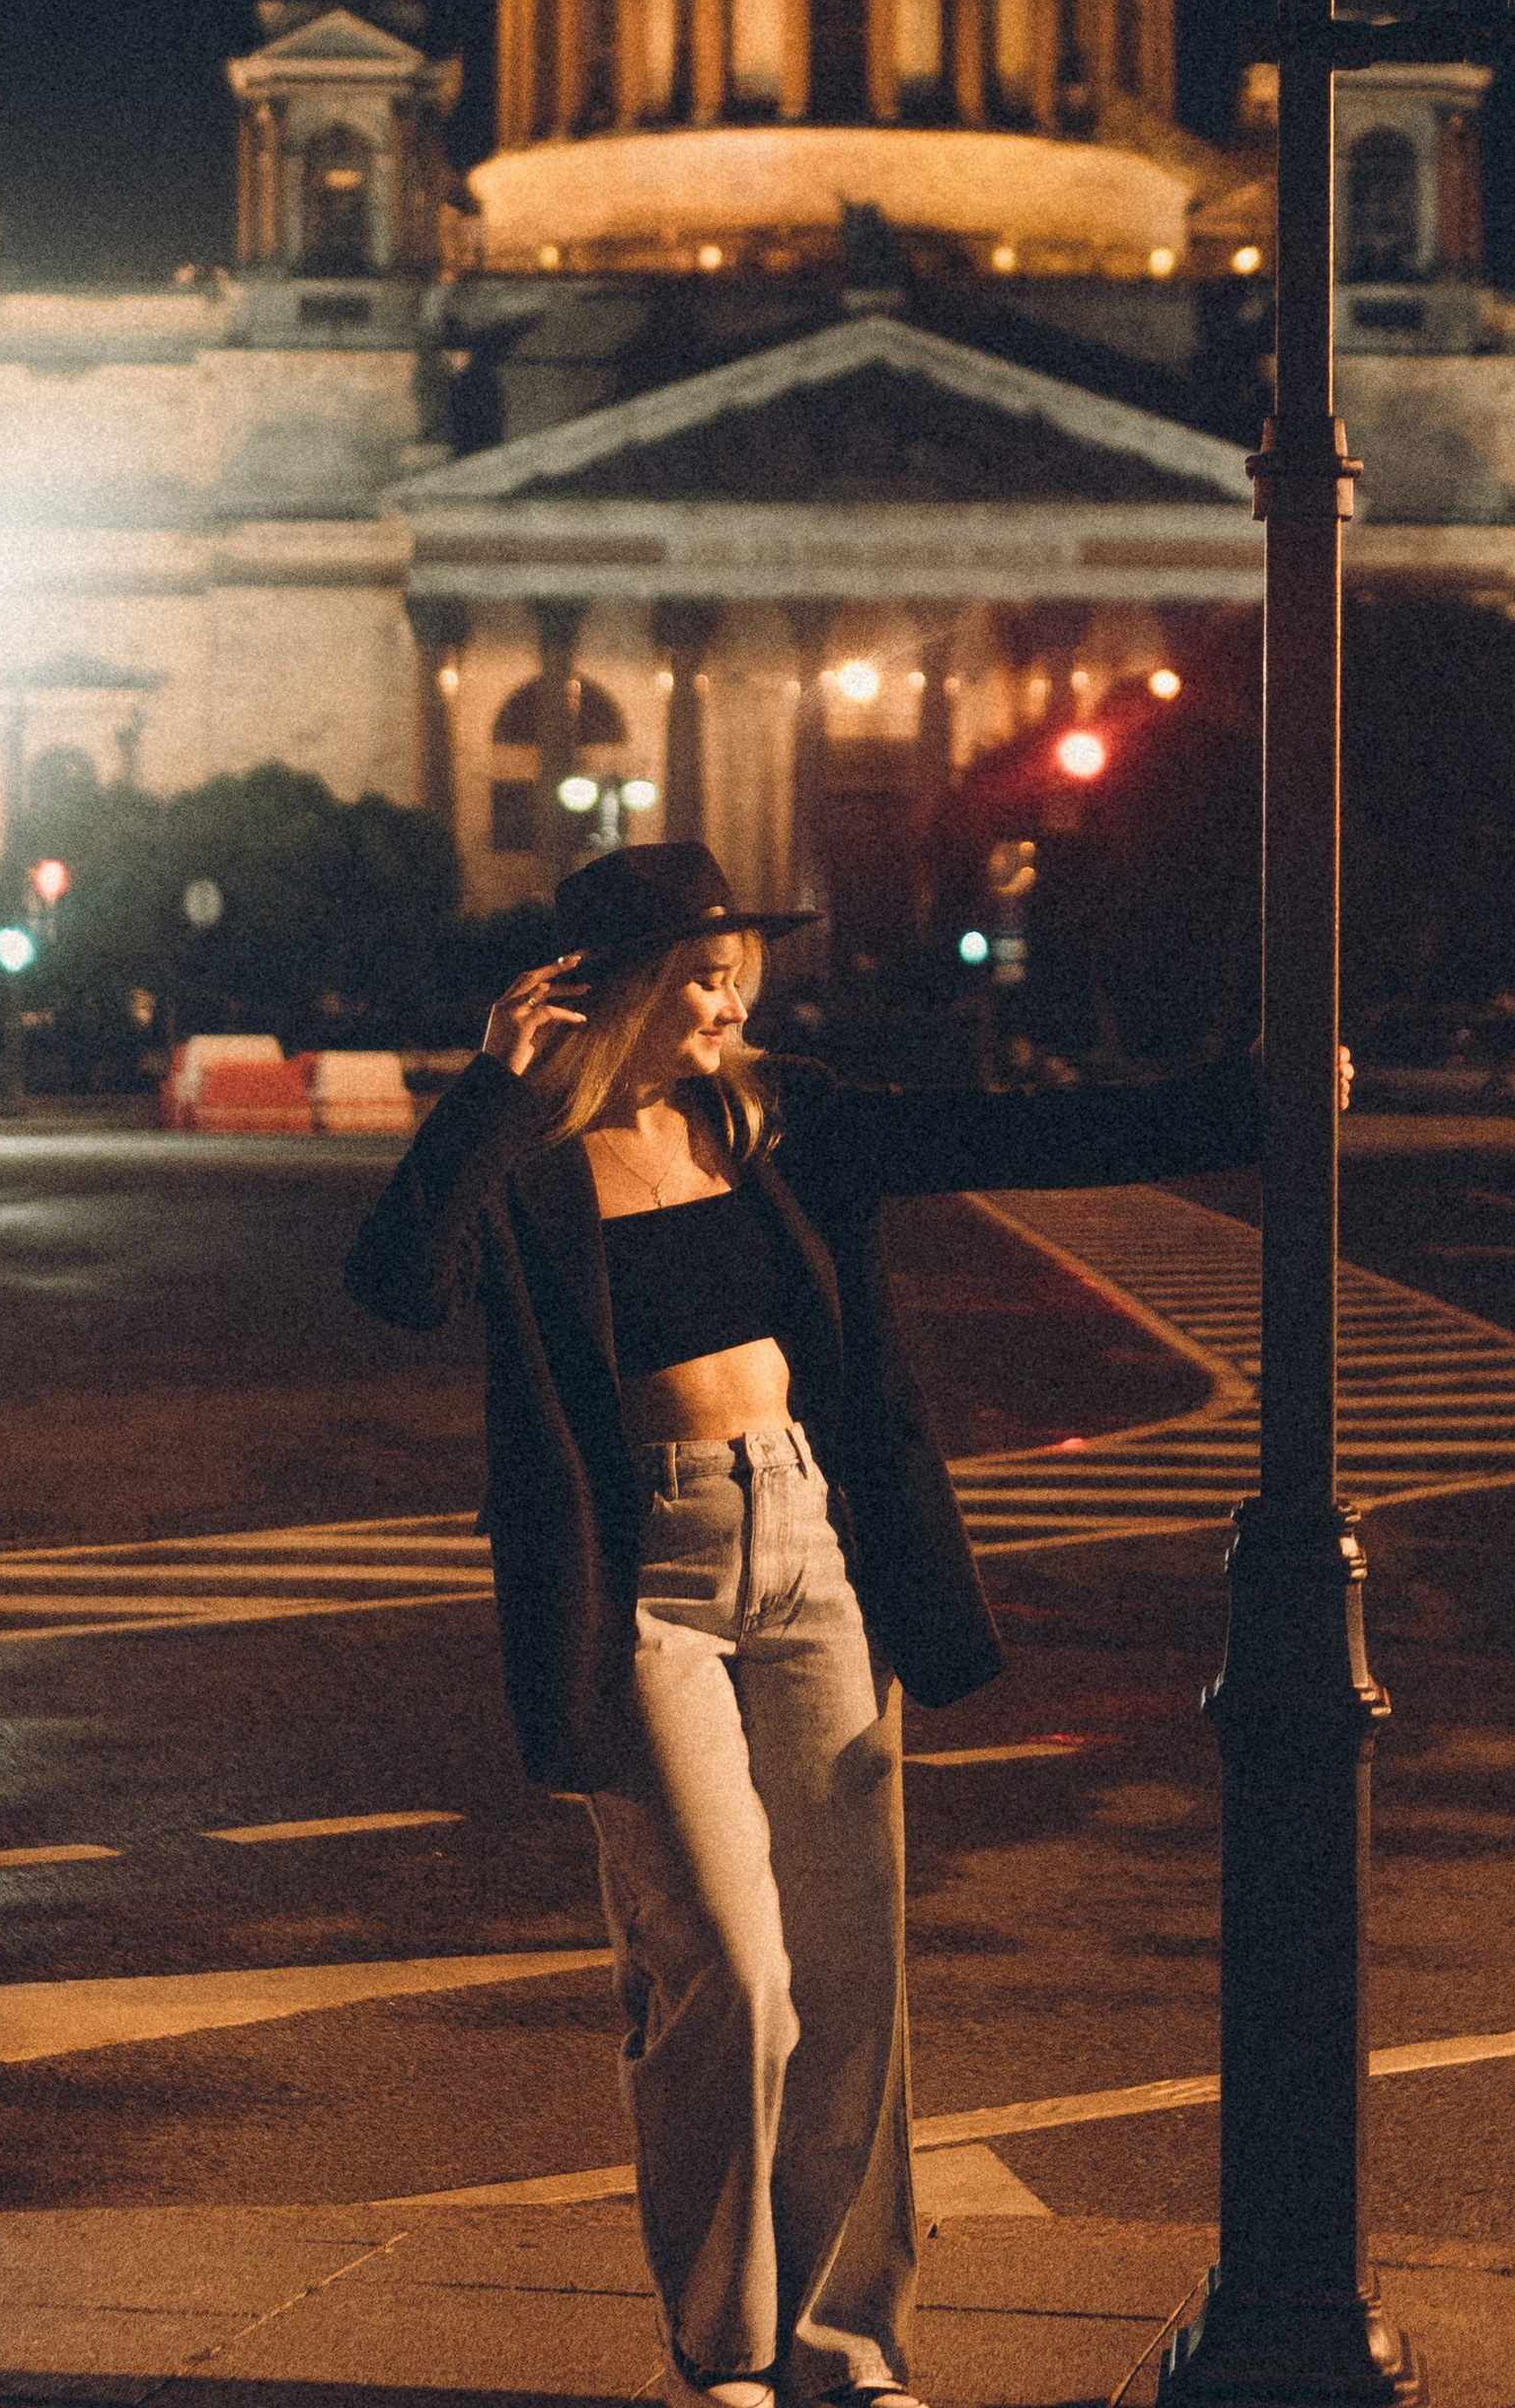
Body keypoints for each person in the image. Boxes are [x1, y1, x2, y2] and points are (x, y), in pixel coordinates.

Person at [344, 840, 1260, 2408]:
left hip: (813, 1550)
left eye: (734, 974)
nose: (723, 1000)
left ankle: (843, 2348)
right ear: (610, 988)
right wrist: (494, 1089)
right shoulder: (536, 1156)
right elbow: (396, 1281)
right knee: (730, 1968)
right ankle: (725, 2353)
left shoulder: (775, 1114)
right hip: (646, 1579)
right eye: (697, 976)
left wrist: (1252, 1101)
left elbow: (1014, 1136)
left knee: (849, 1985)